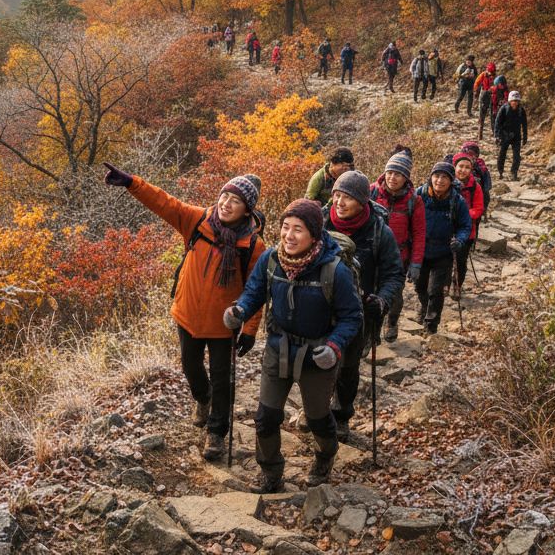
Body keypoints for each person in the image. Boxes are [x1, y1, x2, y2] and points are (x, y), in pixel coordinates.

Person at [102, 164, 266, 460]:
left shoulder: (253, 245)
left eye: (235, 201)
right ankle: (202, 399)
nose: (226, 204)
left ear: (247, 211)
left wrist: (250, 329)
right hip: (188, 314)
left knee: (222, 378)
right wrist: (132, 183)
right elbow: (164, 202)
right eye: (225, 196)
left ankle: (216, 432)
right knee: (191, 366)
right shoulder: (198, 221)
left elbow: (257, 290)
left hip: (224, 323)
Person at [223, 200, 362, 492]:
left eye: (298, 229)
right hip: (279, 348)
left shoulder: (335, 270)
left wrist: (334, 347)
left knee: (317, 418)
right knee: (266, 417)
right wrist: (240, 310)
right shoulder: (272, 259)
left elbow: (352, 316)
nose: (289, 235)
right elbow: (254, 291)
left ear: (314, 234)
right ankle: (271, 472)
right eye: (285, 227)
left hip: (317, 354)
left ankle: (325, 455)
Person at [325, 171, 404, 441]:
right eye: (336, 195)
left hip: (358, 311)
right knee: (315, 363)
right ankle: (317, 409)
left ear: (362, 201)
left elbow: (394, 274)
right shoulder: (320, 222)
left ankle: (341, 415)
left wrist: (382, 300)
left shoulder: (379, 231)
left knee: (347, 368)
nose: (339, 202)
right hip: (319, 306)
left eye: (347, 197)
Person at [370, 149, 426, 342]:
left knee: (394, 295)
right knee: (370, 294)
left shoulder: (414, 201)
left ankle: (392, 322)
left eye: (398, 174)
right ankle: (372, 332)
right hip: (371, 254)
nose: (392, 177)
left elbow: (419, 233)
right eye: (390, 172)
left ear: (406, 178)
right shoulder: (371, 192)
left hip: (399, 258)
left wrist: (416, 263)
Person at [416, 159, 472, 334]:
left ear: (451, 180)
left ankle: (431, 325)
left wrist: (460, 240)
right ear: (431, 177)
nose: (439, 180)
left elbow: (465, 225)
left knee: (436, 291)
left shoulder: (457, 201)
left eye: (444, 177)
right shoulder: (420, 195)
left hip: (444, 252)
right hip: (421, 250)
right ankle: (425, 307)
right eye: (436, 176)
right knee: (420, 287)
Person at [451, 152, 485, 298]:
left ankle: (457, 286)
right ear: (454, 167)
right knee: (444, 260)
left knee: (460, 261)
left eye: (467, 167)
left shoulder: (475, 187)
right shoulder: (445, 182)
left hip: (467, 231)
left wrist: (462, 214)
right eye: (460, 166)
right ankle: (443, 284)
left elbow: (479, 209)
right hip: (445, 228)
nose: (463, 170)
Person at [494, 90, 528, 181]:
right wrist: (497, 135)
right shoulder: (504, 109)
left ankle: (514, 172)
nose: (515, 103)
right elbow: (497, 122)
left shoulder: (521, 110)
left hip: (516, 135)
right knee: (502, 154)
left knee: (517, 156)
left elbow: (524, 124)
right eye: (513, 101)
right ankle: (500, 171)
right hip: (504, 135)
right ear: (510, 101)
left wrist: (525, 136)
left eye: (517, 101)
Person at [460, 141, 493, 221]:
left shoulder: (480, 165)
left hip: (478, 192)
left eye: (473, 154)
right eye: (467, 154)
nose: (470, 157)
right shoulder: (458, 165)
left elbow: (486, 180)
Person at [474, 63, 497, 140]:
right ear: (487, 70)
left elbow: (499, 85)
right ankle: (480, 133)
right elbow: (476, 83)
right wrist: (476, 91)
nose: (491, 74)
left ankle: (494, 133)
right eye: (490, 71)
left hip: (493, 95)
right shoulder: (483, 75)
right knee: (482, 114)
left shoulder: (496, 77)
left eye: (492, 72)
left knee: (493, 114)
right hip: (484, 94)